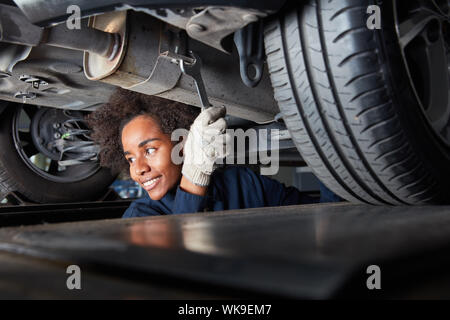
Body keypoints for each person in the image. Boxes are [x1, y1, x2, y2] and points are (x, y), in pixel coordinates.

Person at [87, 88, 341, 218]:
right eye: (130, 158)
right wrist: (194, 174)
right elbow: (183, 263)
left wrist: (328, 141)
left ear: (183, 144)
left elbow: (332, 217)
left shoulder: (245, 184)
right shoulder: (140, 217)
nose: (137, 169)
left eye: (150, 150)